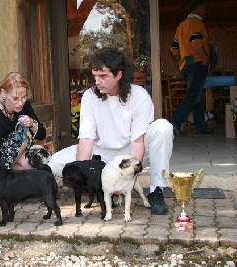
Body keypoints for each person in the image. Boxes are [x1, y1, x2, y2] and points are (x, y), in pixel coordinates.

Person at [48, 47, 174, 215]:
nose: (97, 81)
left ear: (119, 75)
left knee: (163, 128)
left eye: (103, 76)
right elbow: (86, 139)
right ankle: (101, 186)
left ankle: (156, 190)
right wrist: (84, 172)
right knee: (55, 163)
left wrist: (127, 180)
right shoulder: (89, 96)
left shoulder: (139, 95)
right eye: (95, 76)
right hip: (102, 154)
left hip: (132, 151)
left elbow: (138, 142)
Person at [0, 72, 46, 170]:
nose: (20, 103)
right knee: (21, 135)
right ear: (3, 93)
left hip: (16, 155)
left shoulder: (25, 106)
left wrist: (32, 123)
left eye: (23, 97)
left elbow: (42, 135)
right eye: (15, 98)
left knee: (36, 167)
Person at [170, 0, 212, 135]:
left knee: (196, 95)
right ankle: (174, 124)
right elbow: (196, 42)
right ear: (199, 10)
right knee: (193, 96)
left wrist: (181, 59)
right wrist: (205, 58)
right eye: (204, 10)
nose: (205, 13)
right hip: (197, 63)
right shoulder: (196, 23)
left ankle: (201, 127)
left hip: (187, 65)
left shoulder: (181, 25)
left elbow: (174, 47)